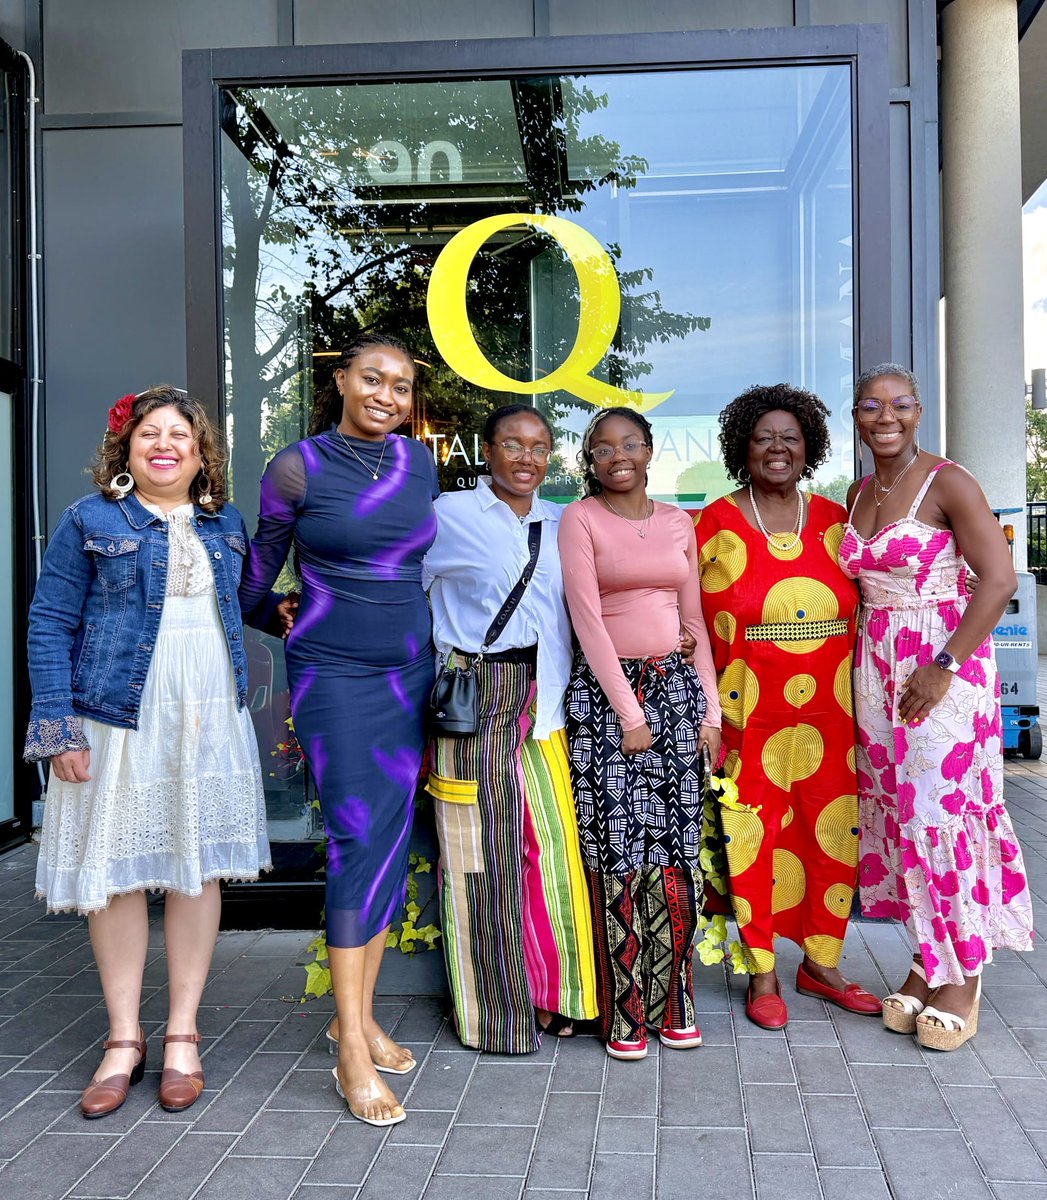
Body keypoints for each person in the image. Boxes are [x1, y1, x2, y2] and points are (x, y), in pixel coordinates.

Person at [25, 386, 270, 1119]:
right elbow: (48, 622)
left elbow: (250, 605)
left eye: (180, 436)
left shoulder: (225, 522)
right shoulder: (89, 519)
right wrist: (57, 726)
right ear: (126, 450)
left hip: (205, 716)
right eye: (149, 435)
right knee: (118, 872)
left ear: (201, 455)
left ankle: (183, 1036)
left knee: (195, 871)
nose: (164, 445)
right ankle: (123, 1040)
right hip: (115, 716)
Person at [239, 332, 437, 1125]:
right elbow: (261, 566)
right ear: (342, 380)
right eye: (373, 379)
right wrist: (269, 614)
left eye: (401, 385)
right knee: (358, 844)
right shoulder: (298, 466)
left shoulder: (418, 464)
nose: (388, 394)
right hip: (335, 677)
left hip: (408, 674)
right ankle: (351, 1049)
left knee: (387, 842)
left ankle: (355, 1016)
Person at [839, 363, 1034, 1050]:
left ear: (918, 411)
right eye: (870, 405)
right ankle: (929, 955)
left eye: (900, 404)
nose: (884, 416)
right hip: (876, 667)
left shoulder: (946, 479)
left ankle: (965, 974)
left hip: (940, 665)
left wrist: (942, 665)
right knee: (900, 815)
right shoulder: (859, 489)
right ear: (856, 416)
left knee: (942, 812)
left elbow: (999, 579)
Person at [697, 384, 880, 1030]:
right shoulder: (712, 525)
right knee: (753, 840)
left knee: (829, 836)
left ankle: (822, 965)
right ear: (741, 449)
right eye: (761, 437)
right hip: (748, 718)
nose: (776, 448)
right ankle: (762, 970)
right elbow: (685, 622)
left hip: (832, 719)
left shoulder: (837, 523)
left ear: (808, 448)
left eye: (789, 437)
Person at [422, 403, 598, 1054]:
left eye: (540, 446)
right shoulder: (447, 518)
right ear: (486, 450)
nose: (527, 457)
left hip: (544, 700)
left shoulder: (565, 522)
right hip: (471, 701)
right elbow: (403, 600)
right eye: (512, 444)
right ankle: (491, 1018)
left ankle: (563, 998)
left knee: (552, 848)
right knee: (475, 860)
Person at [559, 406, 721, 1060]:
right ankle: (626, 1009)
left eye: (629, 443)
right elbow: (587, 621)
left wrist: (708, 710)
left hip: (677, 693)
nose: (617, 455)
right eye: (602, 448)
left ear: (650, 451)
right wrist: (630, 714)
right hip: (609, 703)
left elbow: (695, 621)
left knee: (676, 850)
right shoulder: (580, 519)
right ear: (590, 461)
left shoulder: (679, 522)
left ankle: (673, 1001)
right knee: (619, 851)